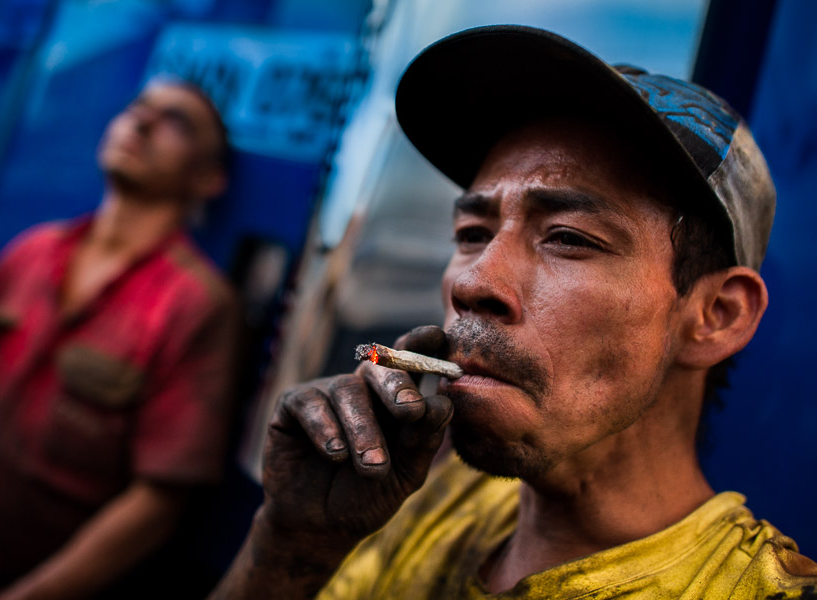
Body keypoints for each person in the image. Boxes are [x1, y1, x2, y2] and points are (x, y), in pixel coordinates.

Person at [212, 25, 817, 600]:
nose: (473, 282)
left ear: (717, 314)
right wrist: (294, 543)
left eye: (570, 237)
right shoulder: (431, 494)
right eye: (473, 232)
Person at [0, 76, 243, 599]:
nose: (141, 122)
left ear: (208, 179)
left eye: (175, 121)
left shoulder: (195, 305)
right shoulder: (31, 252)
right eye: (137, 107)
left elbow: (159, 500)